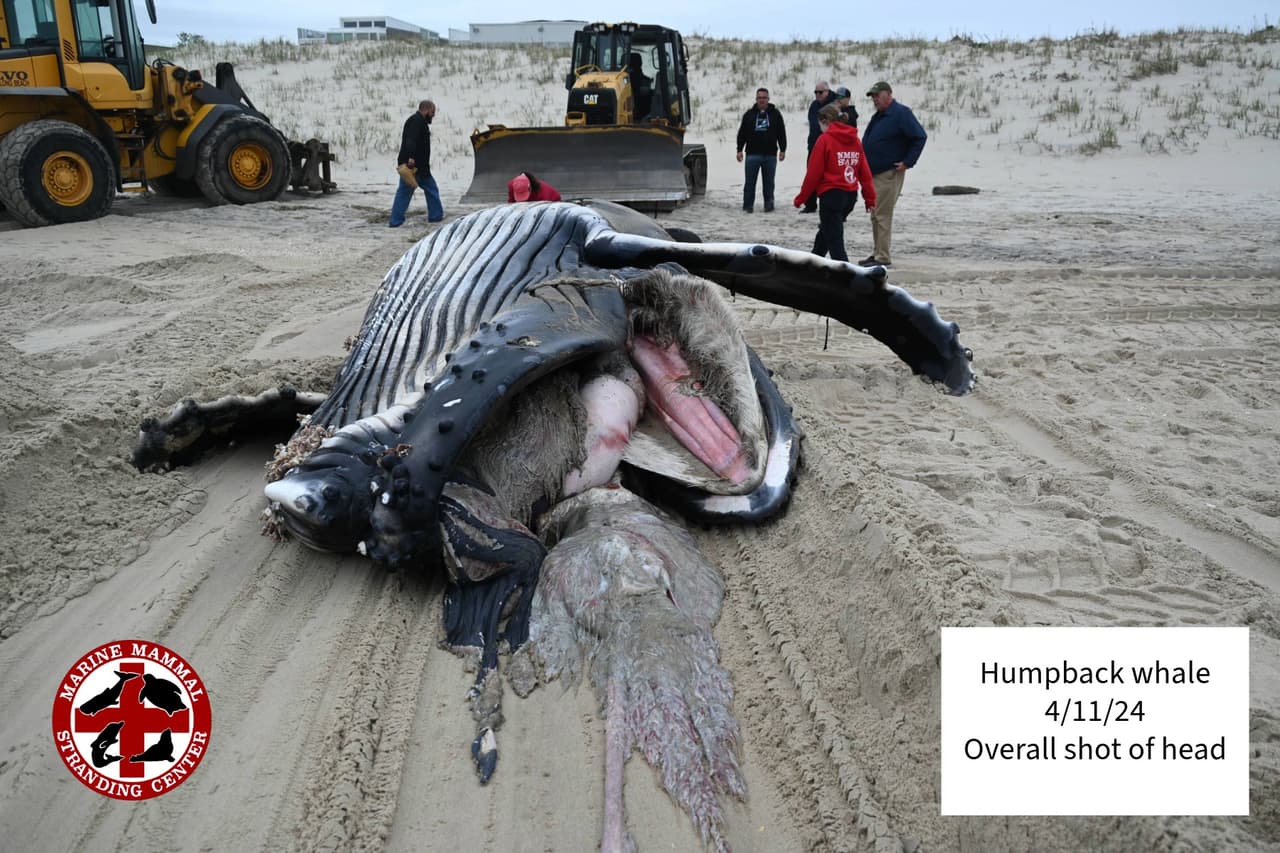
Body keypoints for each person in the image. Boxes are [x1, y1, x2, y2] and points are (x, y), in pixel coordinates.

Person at [793, 104, 875, 263]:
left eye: (819, 124)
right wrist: (869, 198)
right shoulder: (855, 140)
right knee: (826, 231)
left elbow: (813, 174)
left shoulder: (824, 140)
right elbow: (864, 173)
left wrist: (801, 198)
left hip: (831, 196)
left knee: (835, 243)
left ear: (825, 121)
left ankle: (847, 278)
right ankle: (813, 262)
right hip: (850, 197)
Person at [859, 81, 927, 266]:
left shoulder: (901, 113)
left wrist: (908, 162)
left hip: (888, 173)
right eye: (872, 96)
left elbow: (919, 136)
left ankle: (883, 256)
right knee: (875, 214)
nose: (874, 99)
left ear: (888, 94)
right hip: (874, 172)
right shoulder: (880, 116)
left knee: (882, 214)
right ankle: (878, 252)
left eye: (877, 95)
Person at [389, 99, 444, 227]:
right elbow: (411, 141)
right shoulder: (416, 122)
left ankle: (396, 221)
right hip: (414, 166)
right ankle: (435, 217)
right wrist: (411, 158)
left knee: (406, 192)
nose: (433, 115)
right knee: (428, 190)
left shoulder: (418, 121)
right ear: (426, 110)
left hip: (417, 166)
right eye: (432, 112)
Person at [735, 88, 787, 213]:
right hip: (752, 154)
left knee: (769, 183)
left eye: (764, 97)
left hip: (770, 155)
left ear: (768, 99)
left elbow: (781, 133)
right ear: (756, 99)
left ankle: (769, 205)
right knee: (749, 183)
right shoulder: (749, 114)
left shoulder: (775, 114)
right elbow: (742, 133)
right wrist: (739, 149)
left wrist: (783, 149)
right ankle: (748, 206)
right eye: (759, 98)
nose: (762, 100)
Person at [801, 81, 837, 213]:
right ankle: (810, 204)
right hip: (814, 144)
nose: (818, 95)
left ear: (827, 91)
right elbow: (813, 125)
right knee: (811, 174)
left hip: (831, 146)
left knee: (829, 177)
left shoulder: (835, 104)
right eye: (815, 92)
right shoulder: (814, 105)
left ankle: (827, 204)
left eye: (820, 92)